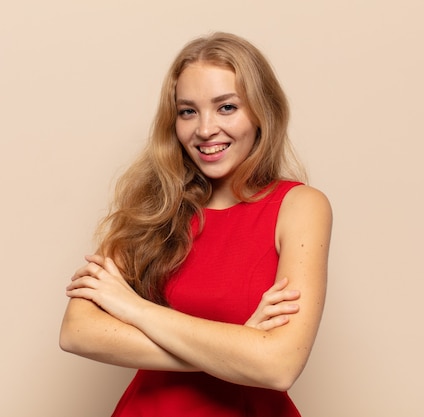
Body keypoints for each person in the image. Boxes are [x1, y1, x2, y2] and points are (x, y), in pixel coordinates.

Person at [60, 32, 332, 416]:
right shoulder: (152, 207)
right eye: (188, 111)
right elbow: (76, 332)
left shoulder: (300, 206)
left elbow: (278, 366)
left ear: (261, 112)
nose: (204, 130)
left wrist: (135, 310)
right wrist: (238, 349)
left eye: (226, 107)